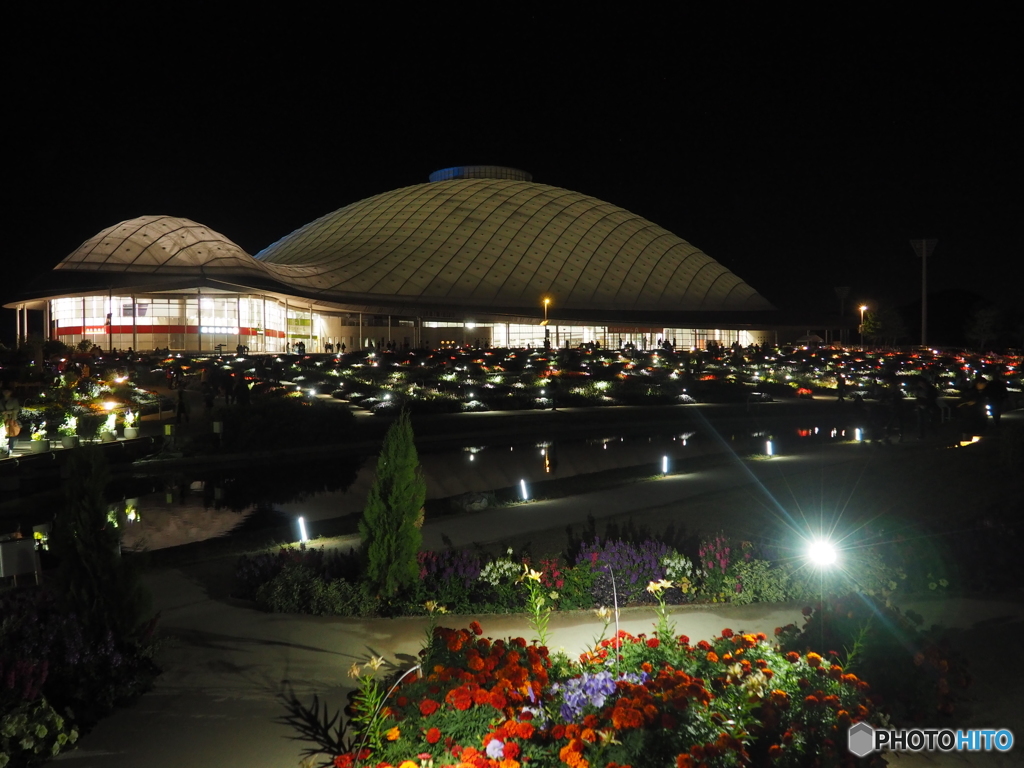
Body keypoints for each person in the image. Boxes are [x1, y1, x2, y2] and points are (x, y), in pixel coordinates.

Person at [2, 387, 21, 454]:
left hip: (11, 419)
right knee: (3, 434)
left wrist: (8, 412)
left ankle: (10, 448)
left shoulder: (14, 400)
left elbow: (17, 409)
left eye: (8, 391)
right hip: (2, 419)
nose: (6, 393)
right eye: (5, 391)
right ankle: (3, 448)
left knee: (11, 433)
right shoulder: (1, 400)